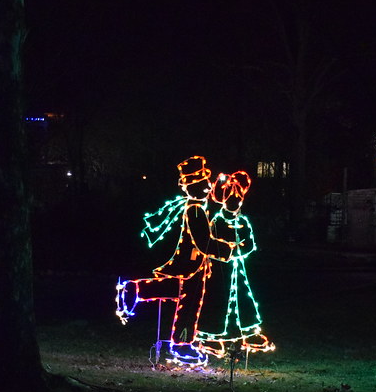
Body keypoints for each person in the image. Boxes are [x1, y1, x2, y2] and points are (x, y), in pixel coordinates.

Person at [115, 156, 231, 366]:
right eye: (204, 183)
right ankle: (180, 342)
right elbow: (203, 242)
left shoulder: (198, 207)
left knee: (183, 296)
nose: (208, 187)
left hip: (194, 265)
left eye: (208, 182)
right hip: (190, 265)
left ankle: (138, 292)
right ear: (193, 187)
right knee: (186, 301)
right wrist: (228, 250)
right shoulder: (195, 210)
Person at [196, 170, 274, 358]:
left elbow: (249, 244)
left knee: (243, 298)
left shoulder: (243, 221)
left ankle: (249, 332)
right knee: (217, 299)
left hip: (238, 269)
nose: (235, 203)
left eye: (238, 199)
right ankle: (211, 336)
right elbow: (210, 243)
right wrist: (228, 251)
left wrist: (237, 250)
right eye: (231, 199)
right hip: (219, 269)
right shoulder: (217, 221)